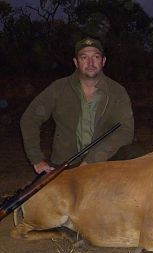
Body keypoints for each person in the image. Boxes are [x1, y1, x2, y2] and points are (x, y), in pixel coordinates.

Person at [20, 37, 137, 174]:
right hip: (67, 163)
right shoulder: (59, 88)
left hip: (104, 160)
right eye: (84, 57)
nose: (91, 63)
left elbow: (126, 131)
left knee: (135, 153)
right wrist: (37, 160)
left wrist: (93, 159)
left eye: (96, 57)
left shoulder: (117, 91)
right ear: (76, 62)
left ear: (103, 61)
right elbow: (29, 119)